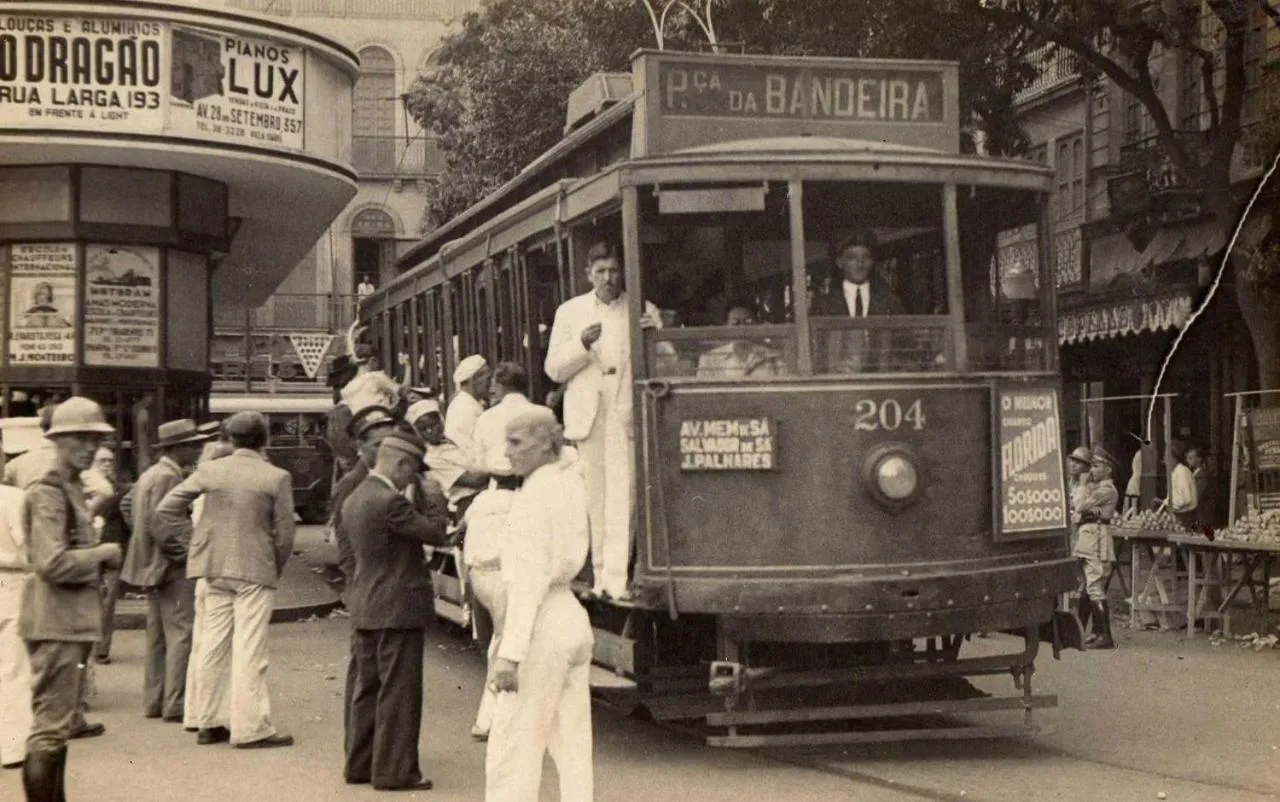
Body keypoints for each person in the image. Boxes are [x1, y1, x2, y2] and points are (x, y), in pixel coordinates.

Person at [152, 411, 296, 749]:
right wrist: (274, 563)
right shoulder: (276, 477)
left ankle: (209, 721)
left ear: (230, 439)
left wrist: (197, 543)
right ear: (264, 440)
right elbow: (285, 535)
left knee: (212, 646)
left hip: (213, 566)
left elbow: (166, 509)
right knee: (249, 649)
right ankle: (250, 728)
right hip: (255, 568)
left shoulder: (210, 470)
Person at [486, 406, 594, 802]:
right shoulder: (569, 483)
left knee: (515, 742)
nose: (507, 452)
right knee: (573, 741)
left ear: (546, 442)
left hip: (540, 625)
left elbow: (528, 582)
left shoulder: (534, 497)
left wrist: (509, 656)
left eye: (516, 442)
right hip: (570, 618)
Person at [19, 398, 122, 801]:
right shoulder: (48, 492)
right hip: (56, 620)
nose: (90, 448)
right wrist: (102, 554)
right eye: (80, 438)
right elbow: (51, 563)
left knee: (58, 728)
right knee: (49, 728)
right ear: (57, 441)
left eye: (95, 439)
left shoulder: (71, 489)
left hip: (69, 621)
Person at [545, 240, 661, 599]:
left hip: (624, 410)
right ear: (588, 275)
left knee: (624, 495)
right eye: (600, 272)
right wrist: (580, 344)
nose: (608, 278)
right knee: (595, 497)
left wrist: (654, 332)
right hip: (590, 414)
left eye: (613, 270)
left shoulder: (639, 306)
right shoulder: (570, 312)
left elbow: (664, 355)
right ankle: (598, 578)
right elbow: (553, 369)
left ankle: (617, 579)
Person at [341, 432, 452, 791]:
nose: (412, 480)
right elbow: (435, 532)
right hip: (398, 607)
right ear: (401, 463)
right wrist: (434, 495)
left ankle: (360, 763)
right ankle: (395, 771)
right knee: (399, 692)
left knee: (367, 688)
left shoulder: (356, 497)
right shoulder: (391, 502)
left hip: (366, 603)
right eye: (413, 472)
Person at [119, 419, 210, 722]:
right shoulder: (171, 478)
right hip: (170, 567)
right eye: (192, 444)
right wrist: (185, 554)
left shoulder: (150, 474)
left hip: (149, 564)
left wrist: (142, 537)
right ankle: (176, 702)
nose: (197, 449)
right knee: (181, 633)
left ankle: (154, 700)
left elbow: (127, 505)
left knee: (157, 636)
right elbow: (166, 524)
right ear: (178, 447)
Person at [182, 440, 235, 734]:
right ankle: (213, 716)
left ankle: (196, 711)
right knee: (218, 647)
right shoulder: (220, 494)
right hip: (221, 569)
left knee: (201, 645)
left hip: (203, 572)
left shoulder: (200, 492)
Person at [809, 230, 908, 372]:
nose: (860, 264)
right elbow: (815, 350)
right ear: (840, 262)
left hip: (880, 383)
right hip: (838, 384)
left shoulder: (890, 302)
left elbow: (905, 346)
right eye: (852, 258)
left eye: (866, 257)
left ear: (872, 262)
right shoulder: (823, 304)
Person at [0, 423, 37, 771]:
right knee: (12, 667)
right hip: (9, 585)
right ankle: (11, 747)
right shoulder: (13, 498)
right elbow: (28, 549)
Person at [407, 400, 487, 522]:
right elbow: (473, 480)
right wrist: (498, 469)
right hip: (469, 503)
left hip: (486, 494)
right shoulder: (431, 458)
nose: (430, 431)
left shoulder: (454, 436)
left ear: (441, 420)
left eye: (433, 425)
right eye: (423, 429)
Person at [1075, 448, 1120, 650]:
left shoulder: (1106, 490)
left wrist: (1083, 486)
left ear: (1108, 470)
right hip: (1089, 539)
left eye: (1096, 466)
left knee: (1094, 586)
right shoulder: (1098, 488)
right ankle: (1091, 632)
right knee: (1087, 585)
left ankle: (1105, 636)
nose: (1092, 470)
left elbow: (1080, 506)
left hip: (1096, 540)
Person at [90, 446, 130, 665]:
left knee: (108, 601)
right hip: (89, 551)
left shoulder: (120, 490)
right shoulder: (85, 489)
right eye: (102, 461)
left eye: (110, 461)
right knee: (92, 600)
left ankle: (102, 648)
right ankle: (92, 645)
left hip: (113, 549)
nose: (107, 465)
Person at [695, 306, 784, 380]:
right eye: (735, 323)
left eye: (747, 322)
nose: (742, 328)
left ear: (756, 325)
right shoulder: (709, 359)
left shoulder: (772, 357)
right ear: (726, 326)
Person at [1066, 446, 1094, 634]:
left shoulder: (1089, 486)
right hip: (1069, 533)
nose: (1074, 465)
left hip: (1082, 533)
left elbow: (1080, 508)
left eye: (1079, 463)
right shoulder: (1070, 482)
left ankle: (1079, 622)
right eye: (1073, 461)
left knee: (1081, 577)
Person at [447, 355, 490, 457]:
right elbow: (468, 450)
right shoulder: (464, 408)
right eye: (488, 378)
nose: (490, 383)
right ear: (474, 379)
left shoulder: (468, 403)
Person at [1162, 439, 1198, 530]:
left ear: (1173, 457)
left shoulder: (1182, 472)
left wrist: (1167, 504)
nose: (1164, 460)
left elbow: (1184, 499)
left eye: (1166, 456)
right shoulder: (1175, 472)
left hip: (1184, 518)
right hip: (1179, 516)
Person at [1186, 444, 1215, 529]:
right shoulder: (1194, 474)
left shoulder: (1202, 475)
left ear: (1198, 459)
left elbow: (1197, 496)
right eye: (1187, 458)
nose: (1188, 460)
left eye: (1191, 458)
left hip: (1202, 517)